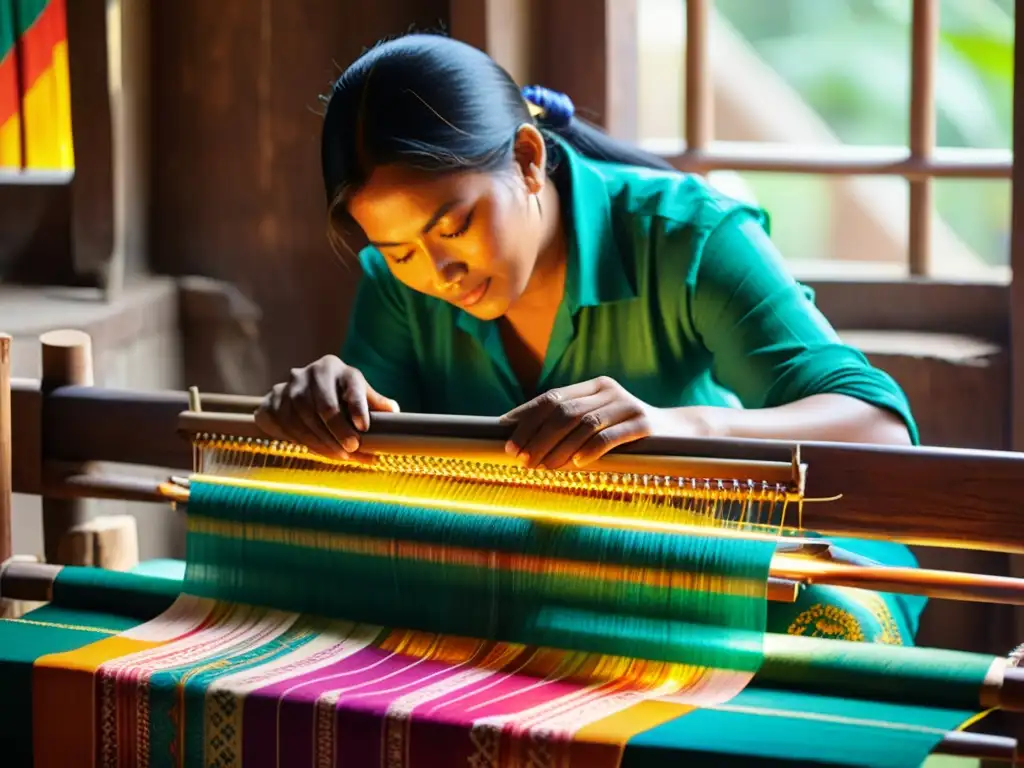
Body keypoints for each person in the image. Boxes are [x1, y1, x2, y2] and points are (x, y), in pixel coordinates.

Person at [255, 32, 924, 645]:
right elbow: (366, 481)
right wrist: (328, 410)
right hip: (543, 577)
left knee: (831, 628)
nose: (438, 272)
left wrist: (674, 427)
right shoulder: (397, 284)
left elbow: (880, 430)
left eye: (454, 226)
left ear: (525, 157)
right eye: (399, 251)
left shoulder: (689, 236)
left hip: (721, 562)